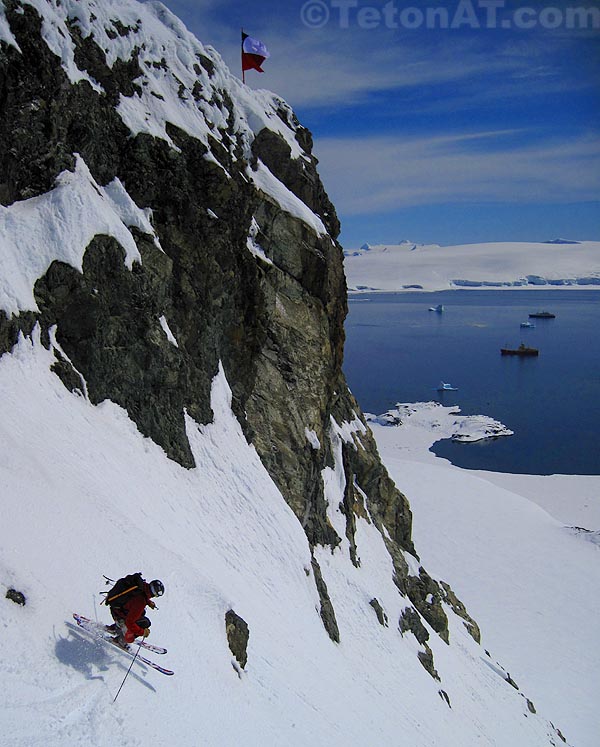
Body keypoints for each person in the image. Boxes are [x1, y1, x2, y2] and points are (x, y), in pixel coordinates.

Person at [104, 574, 164, 647]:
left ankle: (114, 628)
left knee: (141, 614)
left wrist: (148, 602)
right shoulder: (140, 602)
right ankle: (121, 640)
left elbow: (138, 595)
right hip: (119, 614)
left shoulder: (141, 586)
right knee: (145, 623)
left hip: (115, 607)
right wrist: (142, 632)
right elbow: (129, 622)